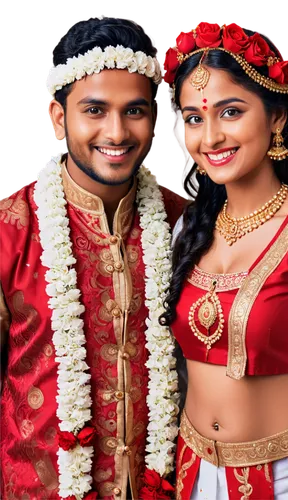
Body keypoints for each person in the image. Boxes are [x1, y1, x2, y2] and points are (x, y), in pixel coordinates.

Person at [160, 18, 288, 499]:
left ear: (277, 118)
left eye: (230, 112)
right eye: (193, 118)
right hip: (192, 474)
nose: (210, 138)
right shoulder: (190, 228)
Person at [0, 16, 187, 500]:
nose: (117, 131)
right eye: (95, 110)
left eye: (135, 111)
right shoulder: (9, 228)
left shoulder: (185, 223)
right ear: (58, 118)